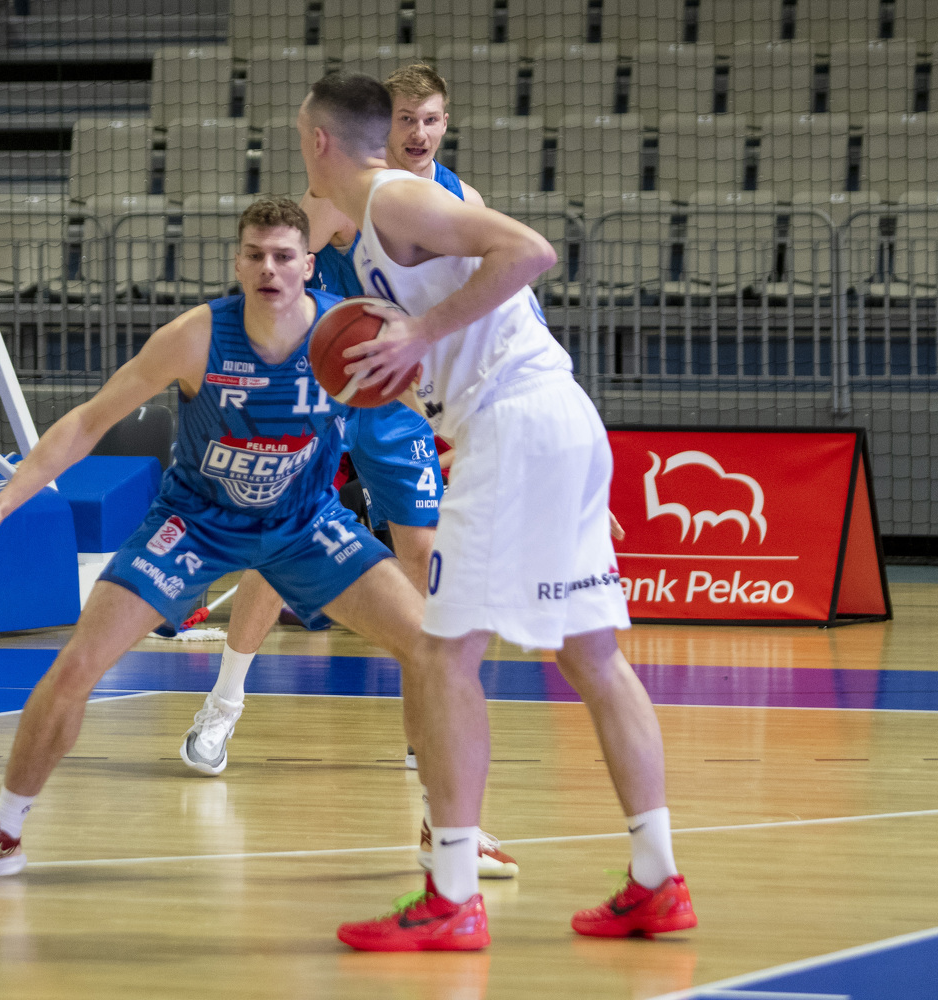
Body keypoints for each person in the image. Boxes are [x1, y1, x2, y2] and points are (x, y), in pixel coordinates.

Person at [296, 71, 696, 951]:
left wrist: (421, 334)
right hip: (543, 424)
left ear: (318, 141)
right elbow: (459, 336)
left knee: (441, 656)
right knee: (592, 656)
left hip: (519, 424)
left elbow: (530, 250)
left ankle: (450, 895)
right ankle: (658, 880)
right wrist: (416, 376)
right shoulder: (372, 228)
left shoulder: (396, 199)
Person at [0, 198, 429, 884]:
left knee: (431, 648)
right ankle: (3, 833)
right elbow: (89, 421)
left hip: (305, 523)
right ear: (237, 263)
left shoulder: (347, 333)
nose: (269, 268)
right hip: (196, 522)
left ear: (309, 266)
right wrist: (1, 503)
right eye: (255, 255)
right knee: (76, 665)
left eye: (284, 256)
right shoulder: (196, 336)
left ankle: (451, 829)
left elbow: (438, 403)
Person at [176, 63, 519, 882]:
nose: (418, 133)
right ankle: (224, 703)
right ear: (379, 128)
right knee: (283, 546)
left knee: (420, 555)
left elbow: (480, 302)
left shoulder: (458, 200)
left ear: (446, 124)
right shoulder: (343, 198)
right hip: (322, 383)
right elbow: (281, 263)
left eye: (431, 119)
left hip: (398, 397)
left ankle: (422, 738)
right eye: (405, 119)